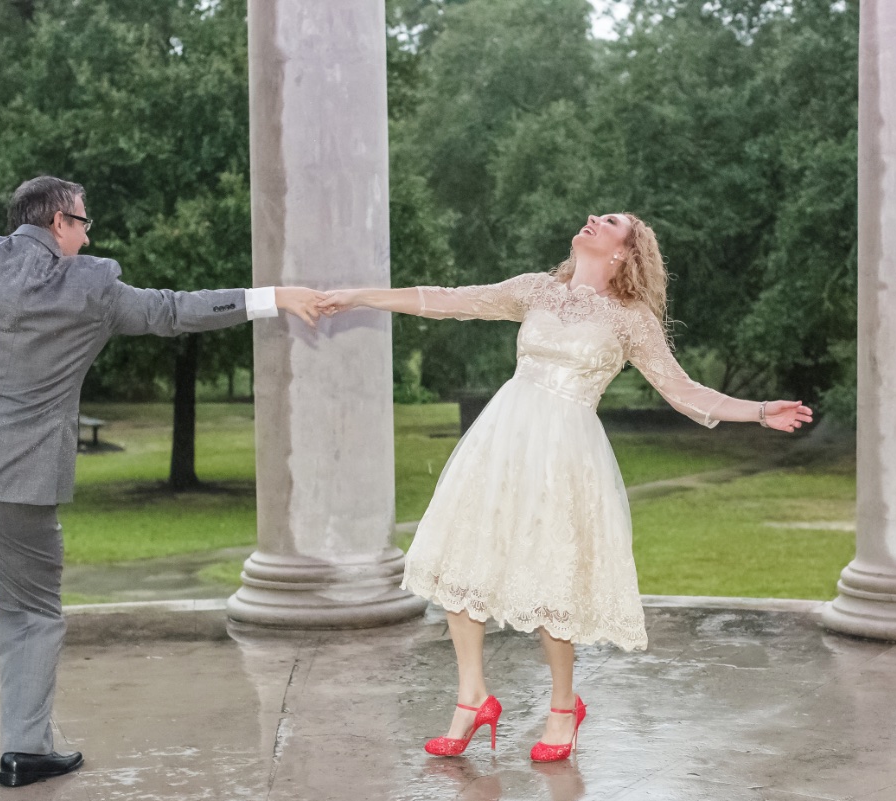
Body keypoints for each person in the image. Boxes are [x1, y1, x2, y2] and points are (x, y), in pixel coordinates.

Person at [0, 176, 324, 786]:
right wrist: (274, 296)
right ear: (59, 221)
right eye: (85, 222)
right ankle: (26, 751)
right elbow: (174, 310)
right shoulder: (91, 287)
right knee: (30, 611)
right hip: (13, 482)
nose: (88, 235)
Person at [316, 213, 812, 761]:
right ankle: (472, 698)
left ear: (626, 252)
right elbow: (446, 298)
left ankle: (562, 707)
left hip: (566, 454)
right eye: (595, 216)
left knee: (553, 576)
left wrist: (761, 412)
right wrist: (360, 296)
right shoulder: (535, 291)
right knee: (464, 559)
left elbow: (683, 391)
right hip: (502, 441)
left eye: (611, 221)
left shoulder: (631, 319)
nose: (594, 220)